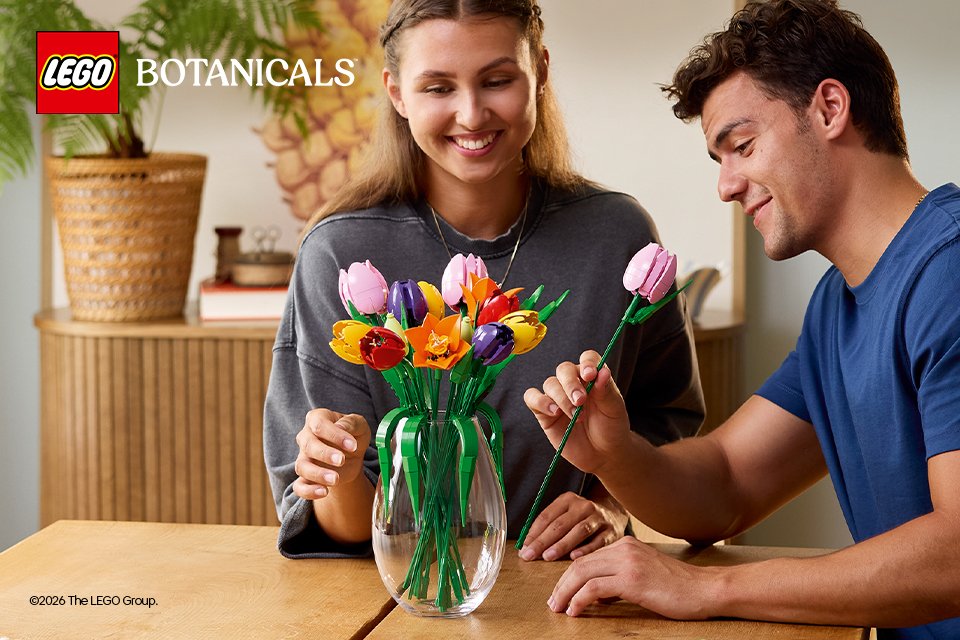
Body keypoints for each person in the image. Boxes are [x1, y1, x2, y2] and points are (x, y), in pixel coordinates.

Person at [524, 0, 960, 637]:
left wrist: (706, 587)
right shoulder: (837, 306)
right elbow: (726, 485)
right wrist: (615, 456)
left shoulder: (948, 275)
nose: (726, 186)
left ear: (830, 108)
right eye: (720, 159)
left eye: (743, 146)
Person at [263, 0, 704, 562]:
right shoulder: (340, 255)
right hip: (397, 591)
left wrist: (611, 502)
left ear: (539, 72)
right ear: (397, 94)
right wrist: (340, 472)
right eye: (438, 88)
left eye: (497, 81)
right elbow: (340, 526)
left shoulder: (617, 235)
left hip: (569, 581)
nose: (471, 115)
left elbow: (668, 422)